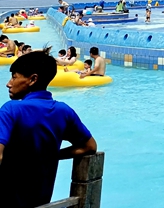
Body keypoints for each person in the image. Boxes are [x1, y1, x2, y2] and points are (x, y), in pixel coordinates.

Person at [0, 51, 97, 207]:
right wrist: (52, 155)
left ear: (33, 79)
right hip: (42, 203)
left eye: (14, 77)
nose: (9, 83)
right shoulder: (63, 111)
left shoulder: (11, 110)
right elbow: (89, 146)